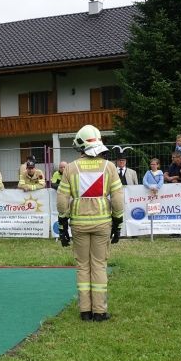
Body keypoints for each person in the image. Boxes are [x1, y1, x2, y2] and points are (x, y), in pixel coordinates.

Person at [57, 124, 124, 322]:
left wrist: (62, 225)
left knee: (83, 266)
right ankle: (100, 311)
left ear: (82, 145)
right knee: (99, 265)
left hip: (79, 224)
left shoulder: (70, 168)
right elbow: (118, 199)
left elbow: (62, 200)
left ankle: (85, 311)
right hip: (102, 223)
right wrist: (118, 223)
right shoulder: (109, 167)